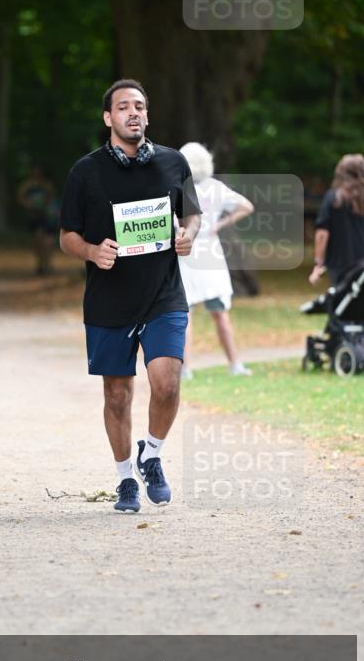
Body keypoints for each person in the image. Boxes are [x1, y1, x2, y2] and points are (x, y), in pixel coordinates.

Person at [59, 79, 201, 514]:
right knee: (117, 396)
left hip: (163, 295)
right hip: (109, 301)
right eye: (123, 107)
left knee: (168, 382)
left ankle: (152, 453)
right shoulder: (85, 172)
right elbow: (66, 236)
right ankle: (125, 480)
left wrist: (187, 235)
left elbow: (192, 214)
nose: (133, 113)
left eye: (139, 106)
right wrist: (91, 251)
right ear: (109, 118)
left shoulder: (174, 164)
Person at [177, 142, 255, 380]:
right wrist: (220, 224)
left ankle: (185, 369)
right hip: (211, 256)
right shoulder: (216, 188)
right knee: (220, 313)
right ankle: (235, 364)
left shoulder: (180, 189)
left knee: (185, 315)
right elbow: (247, 206)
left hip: (187, 255)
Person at [309, 154, 364, 287]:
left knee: (343, 302)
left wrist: (318, 264)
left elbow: (322, 234)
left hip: (340, 265)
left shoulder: (333, 199)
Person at [17, 166, 57, 275]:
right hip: (33, 216)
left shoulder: (46, 186)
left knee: (47, 241)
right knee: (37, 240)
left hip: (45, 216)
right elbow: (20, 197)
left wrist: (46, 206)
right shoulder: (27, 186)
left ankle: (46, 263)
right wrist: (28, 204)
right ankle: (41, 263)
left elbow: (51, 198)